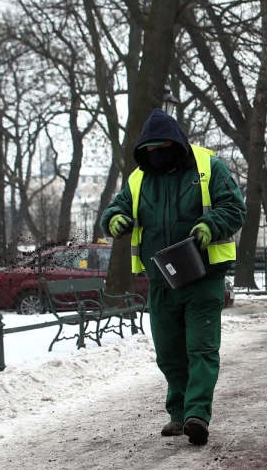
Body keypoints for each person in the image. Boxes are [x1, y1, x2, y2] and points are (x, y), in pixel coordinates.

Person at [101, 109, 246, 446]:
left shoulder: (209, 167)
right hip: (162, 280)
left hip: (203, 276)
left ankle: (197, 414)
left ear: (176, 142)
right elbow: (116, 208)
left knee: (201, 348)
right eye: (150, 149)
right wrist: (114, 220)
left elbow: (234, 207)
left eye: (163, 146)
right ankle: (178, 413)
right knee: (168, 352)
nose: (156, 153)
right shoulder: (140, 178)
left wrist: (210, 224)